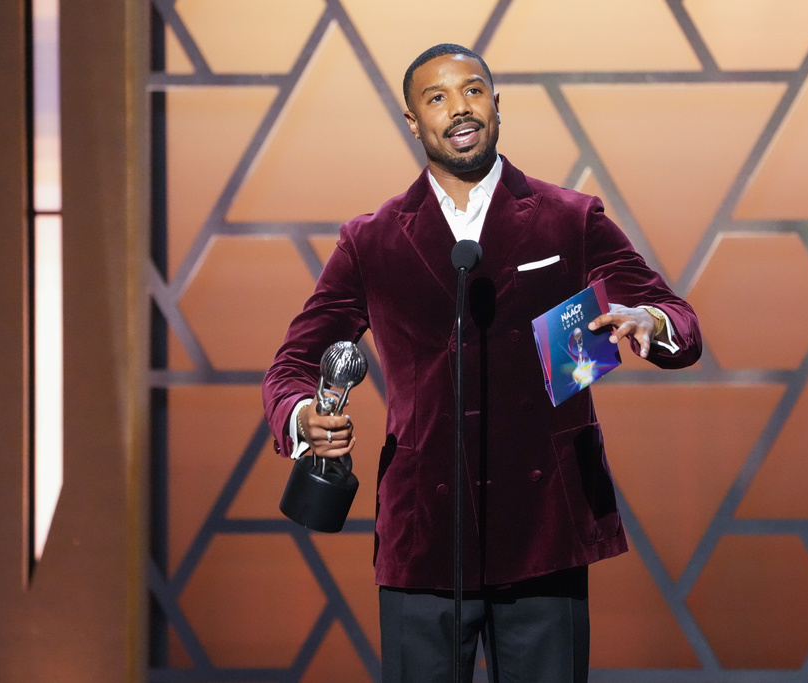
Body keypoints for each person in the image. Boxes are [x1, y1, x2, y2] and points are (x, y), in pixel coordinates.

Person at [263, 43, 702, 683]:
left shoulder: (569, 218)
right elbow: (292, 364)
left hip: (544, 529)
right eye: (436, 98)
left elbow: (678, 318)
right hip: (423, 537)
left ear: (497, 104)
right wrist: (305, 418)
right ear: (413, 122)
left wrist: (651, 323)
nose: (458, 109)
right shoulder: (372, 239)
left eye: (472, 91)